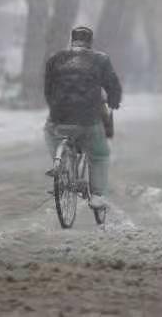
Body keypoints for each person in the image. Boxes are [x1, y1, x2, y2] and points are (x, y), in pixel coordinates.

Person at [43, 26, 122, 209]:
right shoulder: (101, 59)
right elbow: (113, 86)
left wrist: (56, 107)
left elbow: (48, 89)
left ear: (72, 40)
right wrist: (113, 102)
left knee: (49, 132)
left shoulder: (55, 59)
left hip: (59, 117)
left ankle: (60, 164)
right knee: (100, 154)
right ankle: (97, 196)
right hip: (88, 118)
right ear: (90, 42)